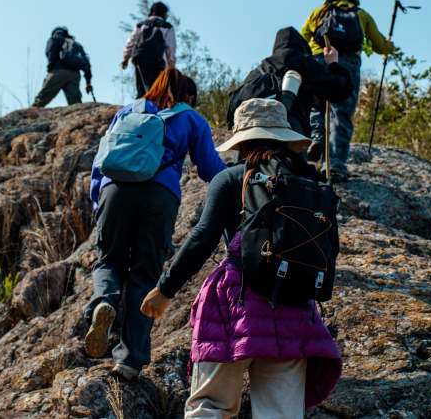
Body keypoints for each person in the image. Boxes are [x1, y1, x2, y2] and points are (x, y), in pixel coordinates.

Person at [141, 98, 342, 418]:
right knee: (280, 413)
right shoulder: (313, 184)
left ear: (243, 140)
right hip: (294, 309)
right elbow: (332, 248)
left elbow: (202, 239)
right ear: (283, 137)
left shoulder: (232, 178)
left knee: (211, 407)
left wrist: (165, 289)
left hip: (234, 304)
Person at [84, 69, 226, 380]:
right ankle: (129, 360)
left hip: (114, 190)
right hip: (158, 195)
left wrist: (99, 200)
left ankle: (104, 302)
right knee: (145, 274)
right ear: (189, 96)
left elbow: (100, 159)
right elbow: (210, 168)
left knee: (109, 260)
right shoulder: (191, 119)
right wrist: (238, 183)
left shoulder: (127, 111)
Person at [301, 0, 395, 182]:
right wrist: (389, 47)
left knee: (317, 105)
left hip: (320, 59)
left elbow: (303, 38)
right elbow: (378, 44)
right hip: (348, 64)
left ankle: (316, 136)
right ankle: (334, 165)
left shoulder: (319, 12)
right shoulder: (361, 15)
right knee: (341, 114)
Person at [230, 27, 352, 139]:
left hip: (249, 134)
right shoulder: (304, 65)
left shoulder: (260, 70)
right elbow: (340, 88)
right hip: (290, 133)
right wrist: (333, 63)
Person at [120, 1, 177, 97]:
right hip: (157, 60)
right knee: (155, 90)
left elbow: (131, 42)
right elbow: (170, 48)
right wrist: (170, 67)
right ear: (164, 14)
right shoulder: (167, 26)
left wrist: (126, 58)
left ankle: (139, 109)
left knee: (141, 90)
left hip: (140, 58)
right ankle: (153, 109)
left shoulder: (141, 25)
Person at [32, 26, 93, 107]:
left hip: (58, 71)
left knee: (41, 99)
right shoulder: (77, 44)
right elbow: (86, 64)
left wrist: (50, 70)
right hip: (75, 75)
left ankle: (28, 116)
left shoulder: (54, 39)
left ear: (54, 33)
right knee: (75, 104)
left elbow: (51, 54)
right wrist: (88, 82)